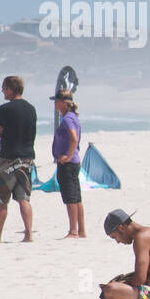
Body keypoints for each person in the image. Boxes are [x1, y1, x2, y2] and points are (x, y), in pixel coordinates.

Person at [0, 76, 37, 244]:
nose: (2, 91)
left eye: (4, 88)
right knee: (24, 198)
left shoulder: (4, 109)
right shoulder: (31, 109)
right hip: (26, 159)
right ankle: (29, 234)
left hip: (8, 159)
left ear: (11, 88)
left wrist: (5, 132)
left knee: (2, 200)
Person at [50, 89, 85, 239]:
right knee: (76, 198)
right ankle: (81, 230)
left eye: (57, 101)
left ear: (64, 103)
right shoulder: (72, 117)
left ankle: (73, 231)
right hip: (73, 162)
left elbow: (73, 138)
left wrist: (68, 156)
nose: (55, 104)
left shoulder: (68, 119)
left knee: (70, 198)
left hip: (69, 163)